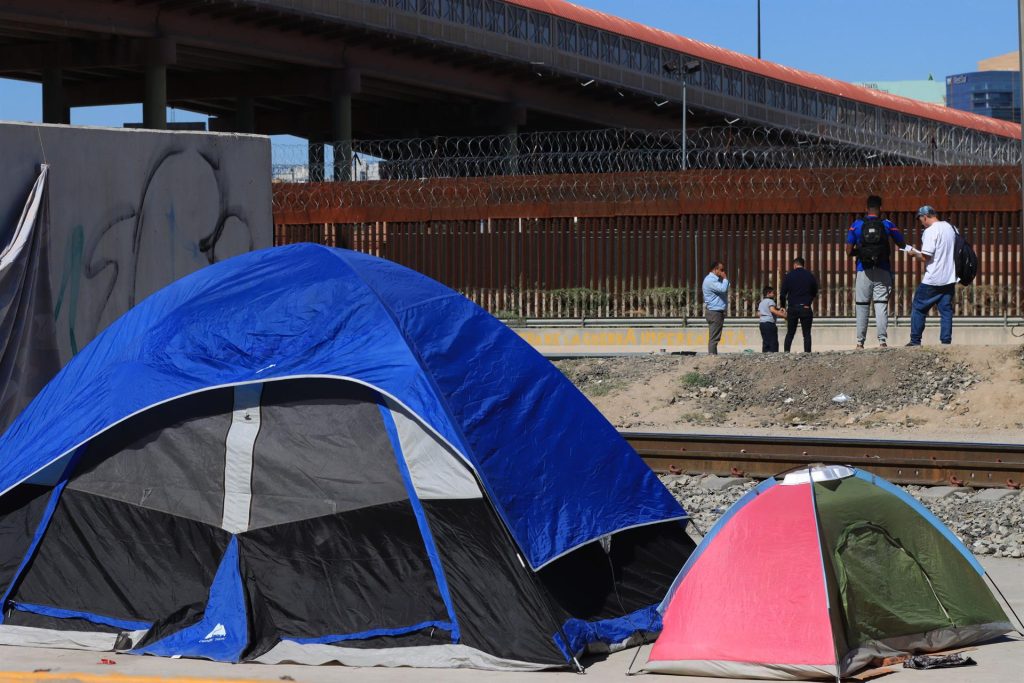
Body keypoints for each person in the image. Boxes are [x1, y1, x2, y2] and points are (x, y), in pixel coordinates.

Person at [845, 194, 906, 349]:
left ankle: (860, 343)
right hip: (882, 268)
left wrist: (861, 254)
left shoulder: (856, 225)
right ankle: (882, 341)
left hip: (863, 269)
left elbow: (848, 250)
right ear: (880, 208)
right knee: (881, 305)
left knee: (862, 305)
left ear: (866, 209)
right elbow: (902, 243)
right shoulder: (887, 224)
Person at [905, 206, 957, 346]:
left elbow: (925, 256)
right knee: (946, 311)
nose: (921, 222)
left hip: (933, 279)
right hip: (950, 277)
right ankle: (946, 342)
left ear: (925, 217)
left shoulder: (930, 231)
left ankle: (915, 341)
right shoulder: (951, 228)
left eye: (920, 219)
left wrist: (913, 253)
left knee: (919, 307)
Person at [780, 257, 818, 353]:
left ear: (795, 265)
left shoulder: (789, 276)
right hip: (805, 307)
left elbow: (782, 294)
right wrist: (808, 302)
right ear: (803, 264)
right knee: (806, 334)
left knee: (790, 333)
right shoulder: (810, 275)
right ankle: (807, 353)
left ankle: (786, 352)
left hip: (792, 307)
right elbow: (815, 291)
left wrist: (783, 306)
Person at [702, 261, 729, 355]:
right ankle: (712, 357)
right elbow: (723, 289)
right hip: (714, 312)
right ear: (715, 269)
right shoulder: (710, 280)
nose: (723, 272)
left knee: (715, 337)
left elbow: (725, 288)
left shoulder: (715, 280)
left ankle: (713, 356)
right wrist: (725, 278)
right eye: (721, 270)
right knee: (714, 338)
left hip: (716, 312)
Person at [757, 285, 786, 353]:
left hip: (762, 323)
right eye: (773, 293)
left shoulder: (761, 302)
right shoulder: (770, 301)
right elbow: (772, 310)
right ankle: (774, 355)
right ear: (768, 293)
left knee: (766, 341)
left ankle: (765, 354)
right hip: (769, 323)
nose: (774, 294)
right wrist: (784, 315)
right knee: (773, 341)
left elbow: (758, 313)